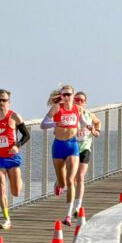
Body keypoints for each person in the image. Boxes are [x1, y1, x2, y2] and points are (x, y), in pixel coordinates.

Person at [0, 89, 30, 230]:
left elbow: (26, 135)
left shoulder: (14, 117)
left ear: (9, 102)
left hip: (12, 158)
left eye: (4, 100)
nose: (1, 103)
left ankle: (19, 181)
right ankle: (6, 219)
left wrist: (17, 145)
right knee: (1, 186)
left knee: (15, 192)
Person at [40, 84, 80, 226]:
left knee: (70, 180)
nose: (67, 97)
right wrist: (55, 123)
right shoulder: (57, 108)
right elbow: (43, 124)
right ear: (61, 96)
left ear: (73, 96)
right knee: (63, 182)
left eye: (69, 94)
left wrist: (90, 128)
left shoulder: (78, 109)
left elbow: (83, 121)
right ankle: (58, 183)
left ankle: (68, 215)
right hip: (58, 146)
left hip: (72, 145)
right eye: (64, 95)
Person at [73, 91, 101, 216]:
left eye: (82, 100)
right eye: (77, 100)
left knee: (80, 176)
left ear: (85, 103)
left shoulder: (89, 115)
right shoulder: (70, 115)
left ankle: (77, 206)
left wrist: (97, 131)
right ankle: (65, 189)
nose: (79, 102)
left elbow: (97, 122)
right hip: (72, 148)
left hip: (85, 148)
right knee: (71, 178)